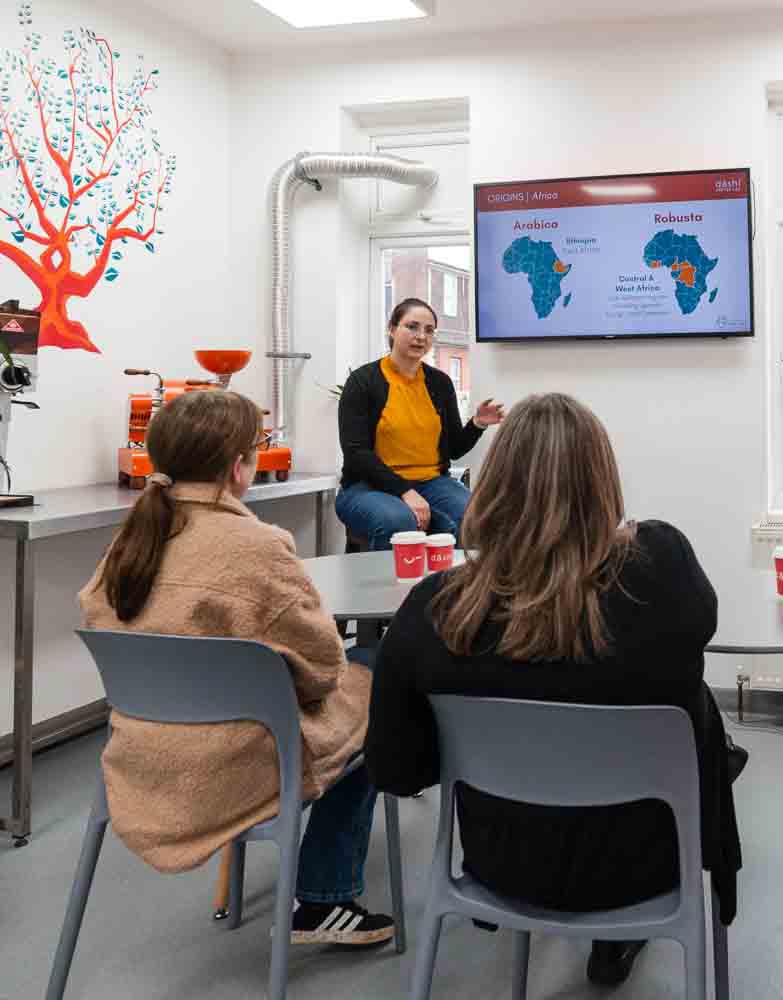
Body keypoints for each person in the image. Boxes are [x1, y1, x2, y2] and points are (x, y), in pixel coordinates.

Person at [365, 392, 743, 987]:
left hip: (502, 865)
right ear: (602, 481)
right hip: (647, 866)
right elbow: (701, 626)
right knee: (699, 710)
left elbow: (397, 769)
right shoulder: (661, 566)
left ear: (491, 486)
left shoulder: (434, 607)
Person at [79, 390, 396, 948]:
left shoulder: (130, 539)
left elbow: (101, 616)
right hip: (230, 765)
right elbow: (323, 670)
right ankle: (324, 898)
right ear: (238, 467)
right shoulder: (260, 546)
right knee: (381, 686)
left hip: (138, 759)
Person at [336, 297, 505, 550]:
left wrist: (477, 424)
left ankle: (457, 589)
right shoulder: (363, 382)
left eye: (428, 330)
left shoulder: (440, 383)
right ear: (392, 329)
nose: (420, 336)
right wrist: (405, 491)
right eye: (411, 327)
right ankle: (394, 591)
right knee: (398, 521)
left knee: (477, 518)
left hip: (432, 482)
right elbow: (356, 453)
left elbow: (453, 449)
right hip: (367, 486)